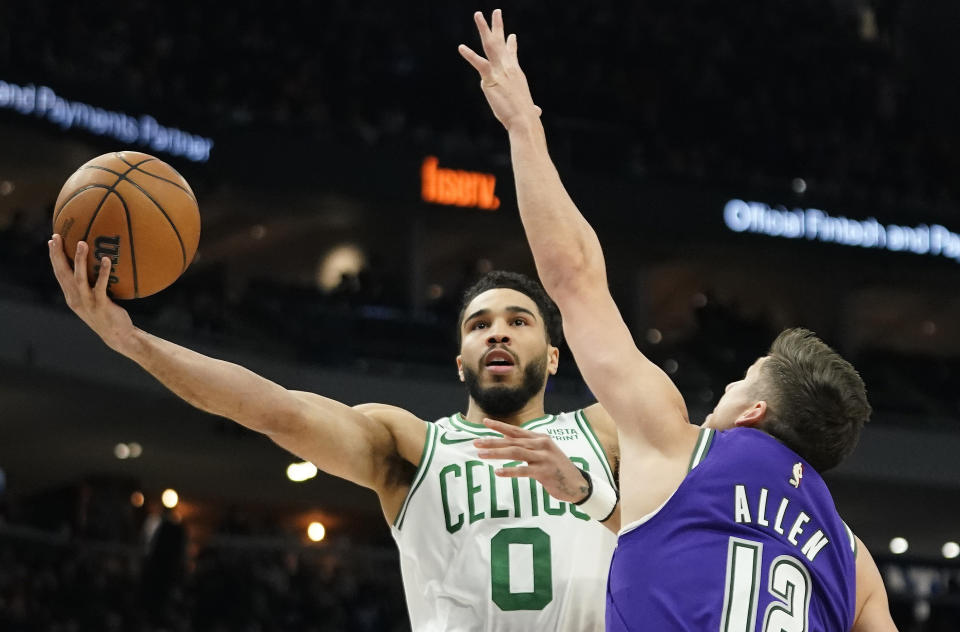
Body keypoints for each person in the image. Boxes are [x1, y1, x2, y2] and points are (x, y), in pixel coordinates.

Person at [460, 9, 898, 631]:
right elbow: (702, 546)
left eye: (742, 380)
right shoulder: (856, 565)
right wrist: (589, 494)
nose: (726, 387)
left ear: (752, 413)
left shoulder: (676, 440)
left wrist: (522, 123)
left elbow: (575, 279)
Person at [47, 239, 620, 631]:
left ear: (552, 355)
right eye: (479, 325)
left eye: (518, 322)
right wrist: (134, 343)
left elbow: (705, 452)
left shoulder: (606, 434)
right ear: (459, 359)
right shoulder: (410, 447)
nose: (497, 333)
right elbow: (276, 411)